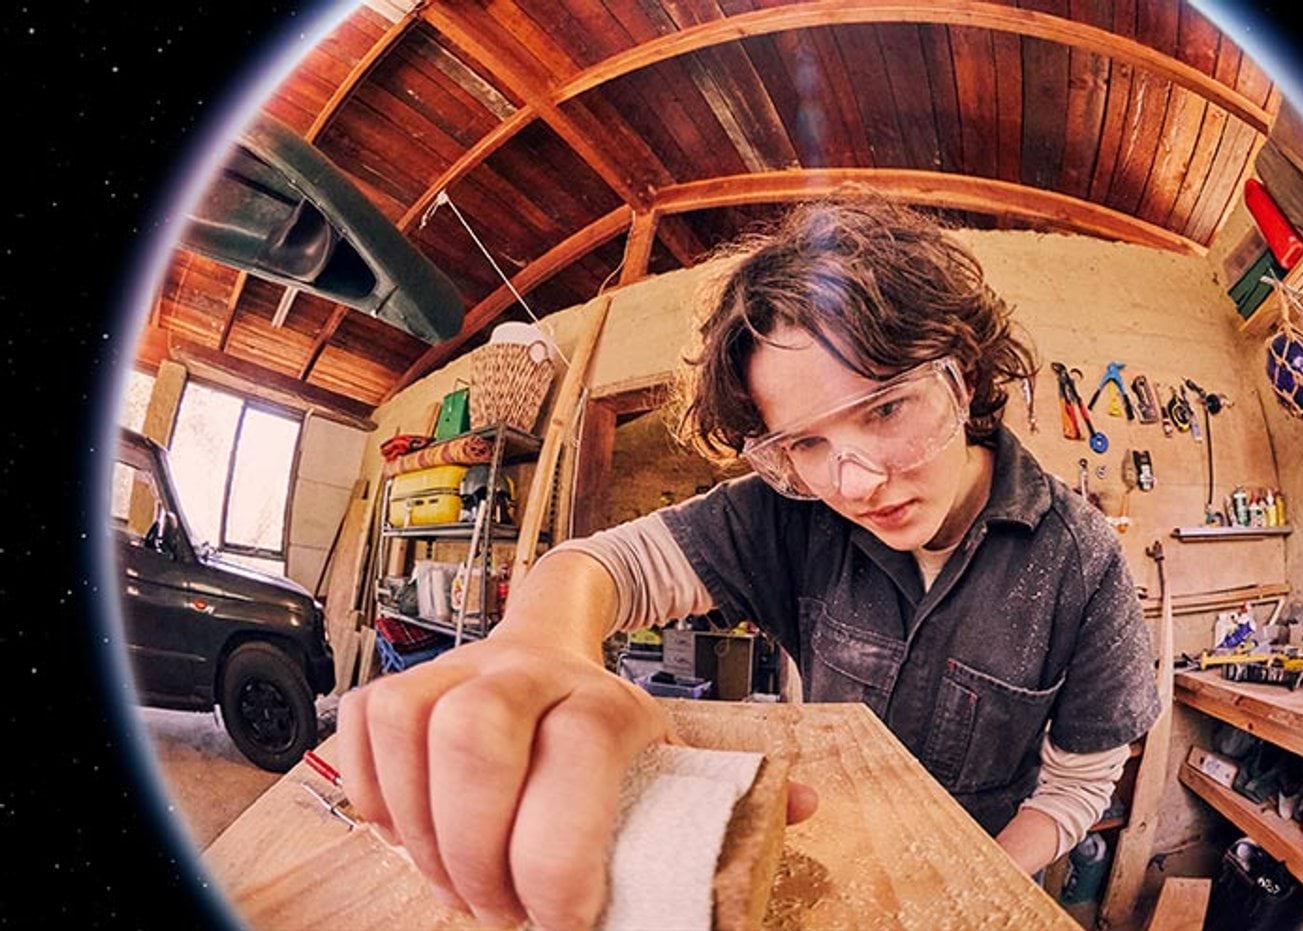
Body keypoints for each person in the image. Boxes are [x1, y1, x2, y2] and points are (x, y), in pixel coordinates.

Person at [336, 195, 1161, 930]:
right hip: (826, 848)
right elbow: (605, 564)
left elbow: (1076, 787)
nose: (857, 481)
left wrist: (969, 891)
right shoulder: (792, 513)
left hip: (983, 876)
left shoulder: (1084, 564)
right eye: (807, 441)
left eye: (885, 408)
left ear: (964, 375)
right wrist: (537, 644)